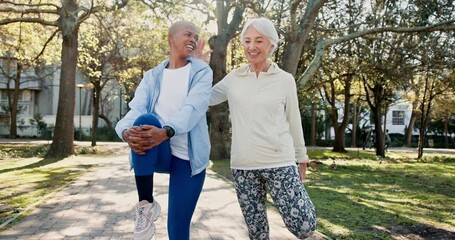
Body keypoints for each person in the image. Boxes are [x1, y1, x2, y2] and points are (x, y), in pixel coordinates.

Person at [209, 17, 316, 239]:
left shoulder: (285, 80)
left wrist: (301, 157)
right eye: (247, 41)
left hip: (279, 162)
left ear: (271, 45)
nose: (251, 46)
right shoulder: (234, 77)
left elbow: (293, 119)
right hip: (243, 166)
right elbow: (206, 98)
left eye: (259, 40)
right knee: (257, 234)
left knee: (304, 226)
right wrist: (198, 66)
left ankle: (300, 198)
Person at [115, 21, 212, 240]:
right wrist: (124, 132)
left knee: (177, 230)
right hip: (158, 151)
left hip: (188, 158)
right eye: (188, 34)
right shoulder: (152, 76)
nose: (193, 40)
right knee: (144, 119)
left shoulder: (201, 72)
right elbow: (136, 109)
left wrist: (166, 131)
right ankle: (146, 203)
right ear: (171, 38)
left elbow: (193, 108)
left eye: (196, 37)